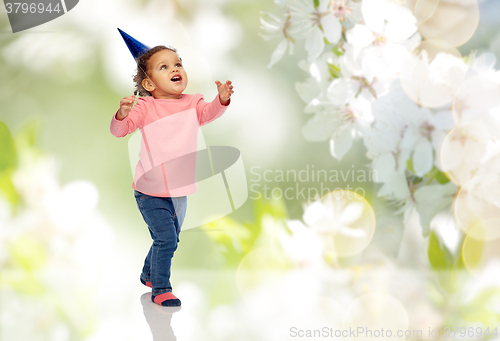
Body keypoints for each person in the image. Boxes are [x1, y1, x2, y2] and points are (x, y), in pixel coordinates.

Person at [110, 30, 234, 307]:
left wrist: (221, 99)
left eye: (178, 63)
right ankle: (161, 288)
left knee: (169, 238)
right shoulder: (145, 106)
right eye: (164, 67)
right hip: (150, 189)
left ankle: (148, 273)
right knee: (166, 238)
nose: (175, 69)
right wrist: (122, 114)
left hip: (180, 189)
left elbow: (209, 113)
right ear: (149, 84)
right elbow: (120, 131)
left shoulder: (192, 103)